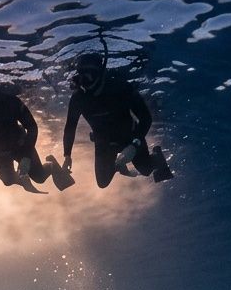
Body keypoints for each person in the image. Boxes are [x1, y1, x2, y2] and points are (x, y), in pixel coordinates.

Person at [61, 52, 174, 189]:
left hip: (129, 136)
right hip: (103, 141)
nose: (84, 80)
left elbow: (145, 118)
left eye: (89, 74)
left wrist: (134, 145)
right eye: (81, 74)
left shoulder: (120, 87)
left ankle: (156, 155)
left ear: (99, 73)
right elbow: (70, 127)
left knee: (146, 170)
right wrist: (67, 154)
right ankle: (119, 165)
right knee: (102, 183)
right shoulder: (78, 98)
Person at [0, 65, 71, 192]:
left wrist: (27, 157)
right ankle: (23, 178)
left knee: (40, 178)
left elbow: (32, 127)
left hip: (21, 146)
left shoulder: (10, 101)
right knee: (8, 181)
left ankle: (51, 165)